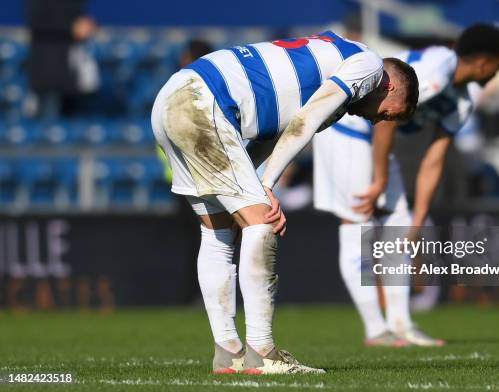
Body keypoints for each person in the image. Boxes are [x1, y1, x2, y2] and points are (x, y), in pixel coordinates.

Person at [151, 30, 418, 374]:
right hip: (204, 103)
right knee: (262, 223)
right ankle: (263, 353)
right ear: (391, 87)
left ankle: (228, 352)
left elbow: (273, 134)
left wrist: (260, 181)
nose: (380, 120)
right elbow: (304, 122)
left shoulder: (338, 87)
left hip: (172, 100)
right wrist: (264, 186)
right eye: (390, 114)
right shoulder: (368, 65)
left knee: (217, 231)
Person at [313, 23, 499, 347]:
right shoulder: (439, 68)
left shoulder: (461, 102)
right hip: (348, 130)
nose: (498, 71)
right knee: (358, 222)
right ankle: (376, 329)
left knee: (400, 223)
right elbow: (390, 106)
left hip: (373, 139)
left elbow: (435, 160)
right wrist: (380, 180)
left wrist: (419, 217)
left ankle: (401, 324)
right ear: (486, 62)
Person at [26, 0, 97, 119]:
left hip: (72, 77)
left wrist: (88, 26)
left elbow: (84, 21)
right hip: (48, 76)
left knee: (72, 123)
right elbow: (38, 21)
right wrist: (71, 28)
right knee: (47, 123)